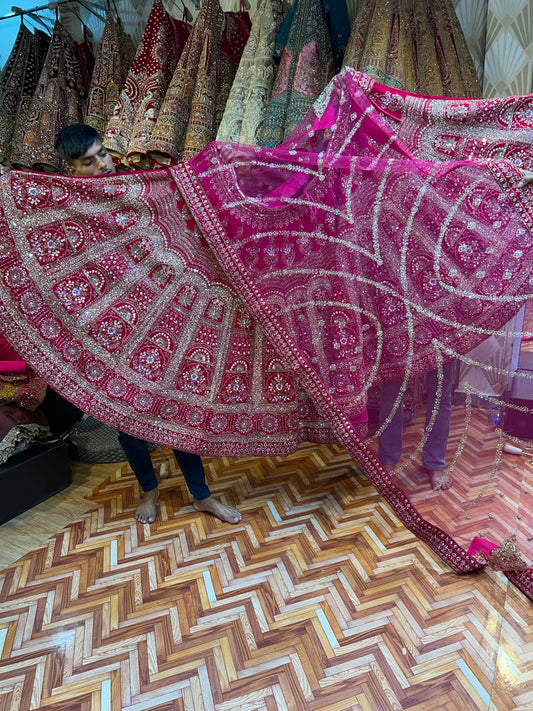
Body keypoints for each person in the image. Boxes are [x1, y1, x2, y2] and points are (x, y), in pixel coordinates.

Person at [54, 123, 242, 526]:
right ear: (72, 170)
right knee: (127, 420)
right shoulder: (67, 206)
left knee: (175, 408)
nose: (102, 164)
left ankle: (201, 494)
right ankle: (150, 492)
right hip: (108, 328)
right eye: (89, 161)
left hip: (158, 315)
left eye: (103, 153)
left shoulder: (135, 186)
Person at [378, 360, 455, 490]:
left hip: (442, 339)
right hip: (399, 339)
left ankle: (435, 462)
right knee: (391, 389)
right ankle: (387, 459)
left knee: (441, 393)